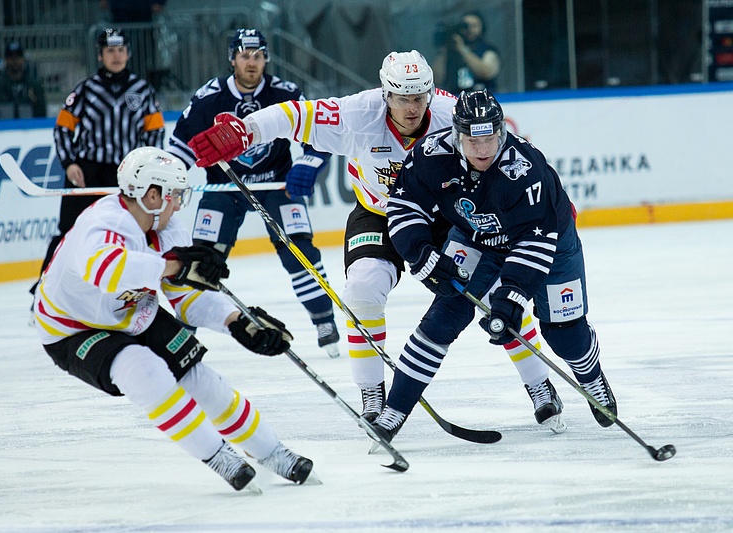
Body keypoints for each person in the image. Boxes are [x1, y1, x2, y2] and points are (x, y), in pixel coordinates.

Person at [184, 50, 566, 433]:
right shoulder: (357, 114)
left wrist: (551, 202)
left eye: (419, 97)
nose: (412, 107)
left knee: (489, 294)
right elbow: (292, 116)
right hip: (379, 215)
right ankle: (371, 392)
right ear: (385, 93)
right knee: (363, 290)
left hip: (451, 220)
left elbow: (507, 148)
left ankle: (539, 384)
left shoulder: (453, 113)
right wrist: (246, 131)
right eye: (402, 98)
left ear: (431, 93)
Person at [32, 146, 315, 492]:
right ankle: (218, 456)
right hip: (72, 328)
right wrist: (175, 266)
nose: (179, 203)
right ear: (153, 195)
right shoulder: (102, 222)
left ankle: (273, 452)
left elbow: (187, 300)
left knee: (199, 378)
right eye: (175, 194)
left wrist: (236, 321)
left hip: (134, 314)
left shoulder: (170, 231)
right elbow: (106, 271)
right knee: (143, 370)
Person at [371, 89, 617, 443]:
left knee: (564, 333)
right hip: (477, 238)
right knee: (444, 315)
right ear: (457, 135)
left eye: (490, 138)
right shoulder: (430, 156)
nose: (483, 149)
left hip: (550, 240)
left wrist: (511, 296)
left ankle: (591, 376)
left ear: (501, 131)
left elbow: (534, 240)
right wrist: (421, 252)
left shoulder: (525, 169)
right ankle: (394, 411)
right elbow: (403, 205)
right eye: (473, 139)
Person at [167, 28, 341, 358]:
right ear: (232, 58)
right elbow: (181, 146)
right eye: (245, 55)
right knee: (202, 259)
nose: (252, 62)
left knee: (300, 252)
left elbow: (318, 135)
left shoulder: (285, 92)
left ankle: (324, 320)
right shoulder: (209, 97)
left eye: (258, 56)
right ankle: (183, 329)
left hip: (274, 185)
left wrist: (308, 162)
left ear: (266, 59)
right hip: (224, 187)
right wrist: (172, 178)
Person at [33, 28, 164, 303]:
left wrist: (147, 169)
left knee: (131, 230)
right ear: (100, 55)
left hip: (126, 175)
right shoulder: (85, 89)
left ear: (128, 53)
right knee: (67, 231)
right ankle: (44, 291)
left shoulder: (142, 90)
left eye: (120, 50)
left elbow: (155, 134)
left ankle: (133, 290)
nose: (116, 56)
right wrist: (69, 163)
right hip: (86, 172)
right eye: (109, 51)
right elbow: (62, 129)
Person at [432, 11, 500, 94]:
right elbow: (436, 79)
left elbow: (487, 72)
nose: (469, 30)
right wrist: (444, 50)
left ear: (482, 28)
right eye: (465, 26)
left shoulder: (488, 50)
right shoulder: (451, 52)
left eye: (474, 26)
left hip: (482, 98)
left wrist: (462, 49)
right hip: (456, 98)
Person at [0, 41, 46, 118]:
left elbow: (41, 110)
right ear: (6, 60)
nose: (15, 60)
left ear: (23, 59)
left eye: (18, 56)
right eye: (11, 57)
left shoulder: (34, 84)